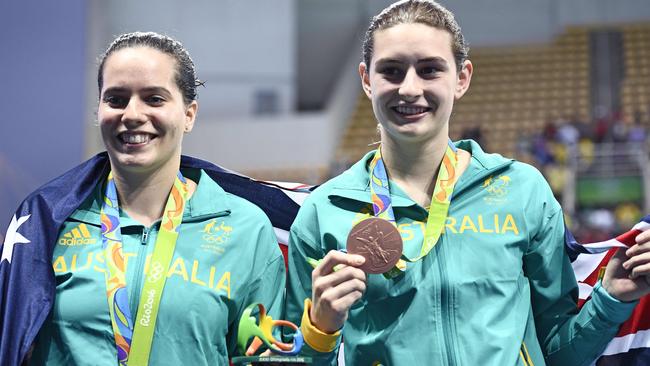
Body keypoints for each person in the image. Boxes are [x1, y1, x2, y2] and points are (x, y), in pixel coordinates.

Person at [285, 1, 650, 365]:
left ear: (461, 78)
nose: (410, 88)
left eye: (429, 70)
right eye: (391, 71)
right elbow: (289, 357)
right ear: (367, 80)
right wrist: (321, 330)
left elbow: (558, 352)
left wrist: (611, 299)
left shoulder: (521, 190)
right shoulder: (325, 212)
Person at [17, 32, 285, 365]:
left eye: (154, 99)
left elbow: (263, 357)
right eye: (115, 99)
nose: (131, 114)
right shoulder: (47, 223)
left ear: (189, 114)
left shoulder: (245, 228)